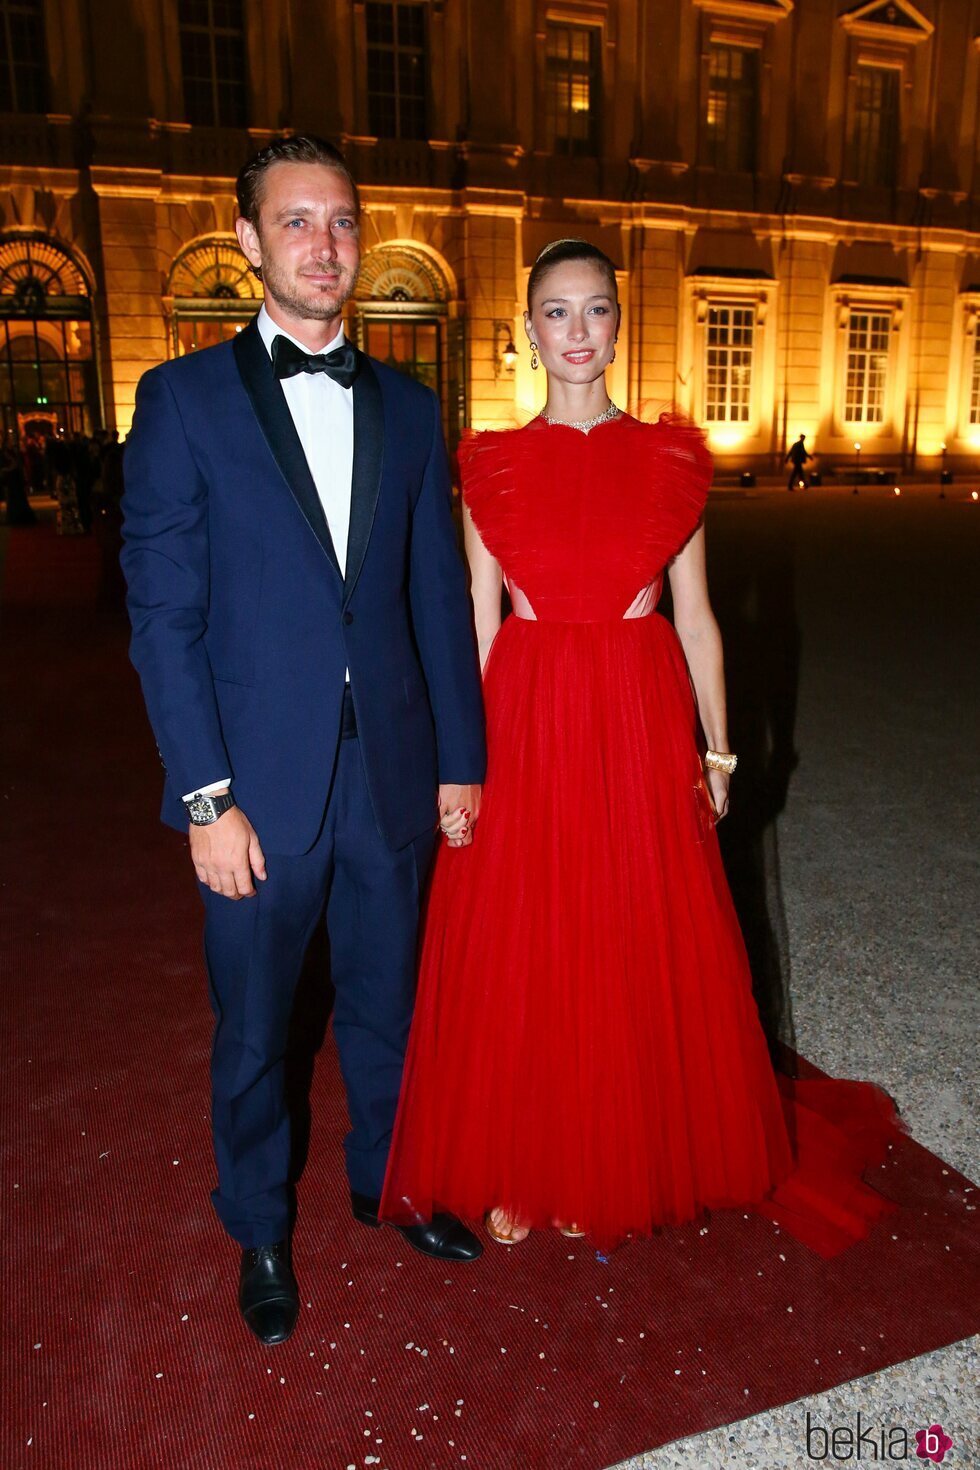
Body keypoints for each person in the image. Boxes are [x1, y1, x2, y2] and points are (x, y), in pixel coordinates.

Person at [381, 239, 900, 1251]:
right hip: (526, 715)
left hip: (634, 711)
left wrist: (716, 755)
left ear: (618, 323)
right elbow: (477, 626)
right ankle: (520, 1160)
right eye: (556, 313)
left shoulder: (670, 459)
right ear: (528, 332)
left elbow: (698, 619)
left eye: (595, 311)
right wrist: (466, 764)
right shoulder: (486, 463)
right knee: (525, 941)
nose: (577, 332)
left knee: (621, 932)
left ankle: (602, 1159)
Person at [121, 135, 487, 1348]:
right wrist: (203, 797)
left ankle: (385, 1177)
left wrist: (460, 760)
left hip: (387, 769)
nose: (324, 245)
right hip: (253, 792)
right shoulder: (180, 400)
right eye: (296, 223)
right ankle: (258, 1228)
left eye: (340, 222)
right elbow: (163, 616)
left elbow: (436, 599)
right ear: (248, 244)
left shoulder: (411, 406)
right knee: (257, 1025)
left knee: (390, 999)